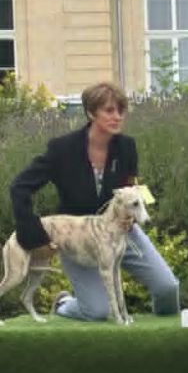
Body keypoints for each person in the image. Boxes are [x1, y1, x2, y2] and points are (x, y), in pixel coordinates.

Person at [10, 81, 179, 321]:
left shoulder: (127, 147)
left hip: (122, 232)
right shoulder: (62, 149)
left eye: (121, 111)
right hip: (79, 239)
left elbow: (134, 187)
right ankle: (65, 303)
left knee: (168, 288)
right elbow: (19, 186)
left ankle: (165, 332)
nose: (117, 117)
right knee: (98, 312)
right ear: (91, 112)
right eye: (109, 111)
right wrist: (31, 231)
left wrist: (139, 210)